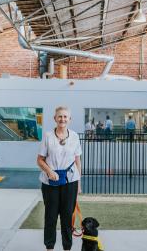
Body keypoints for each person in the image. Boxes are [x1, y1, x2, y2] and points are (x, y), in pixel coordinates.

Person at [37, 106, 82, 251]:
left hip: (70, 182)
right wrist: (49, 171)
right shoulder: (48, 136)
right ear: (55, 118)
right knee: (50, 217)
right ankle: (49, 247)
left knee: (67, 217)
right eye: (60, 116)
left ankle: (67, 247)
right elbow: (39, 160)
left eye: (65, 117)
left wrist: (79, 183)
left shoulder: (75, 136)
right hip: (50, 183)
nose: (62, 119)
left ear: (70, 119)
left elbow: (77, 161)